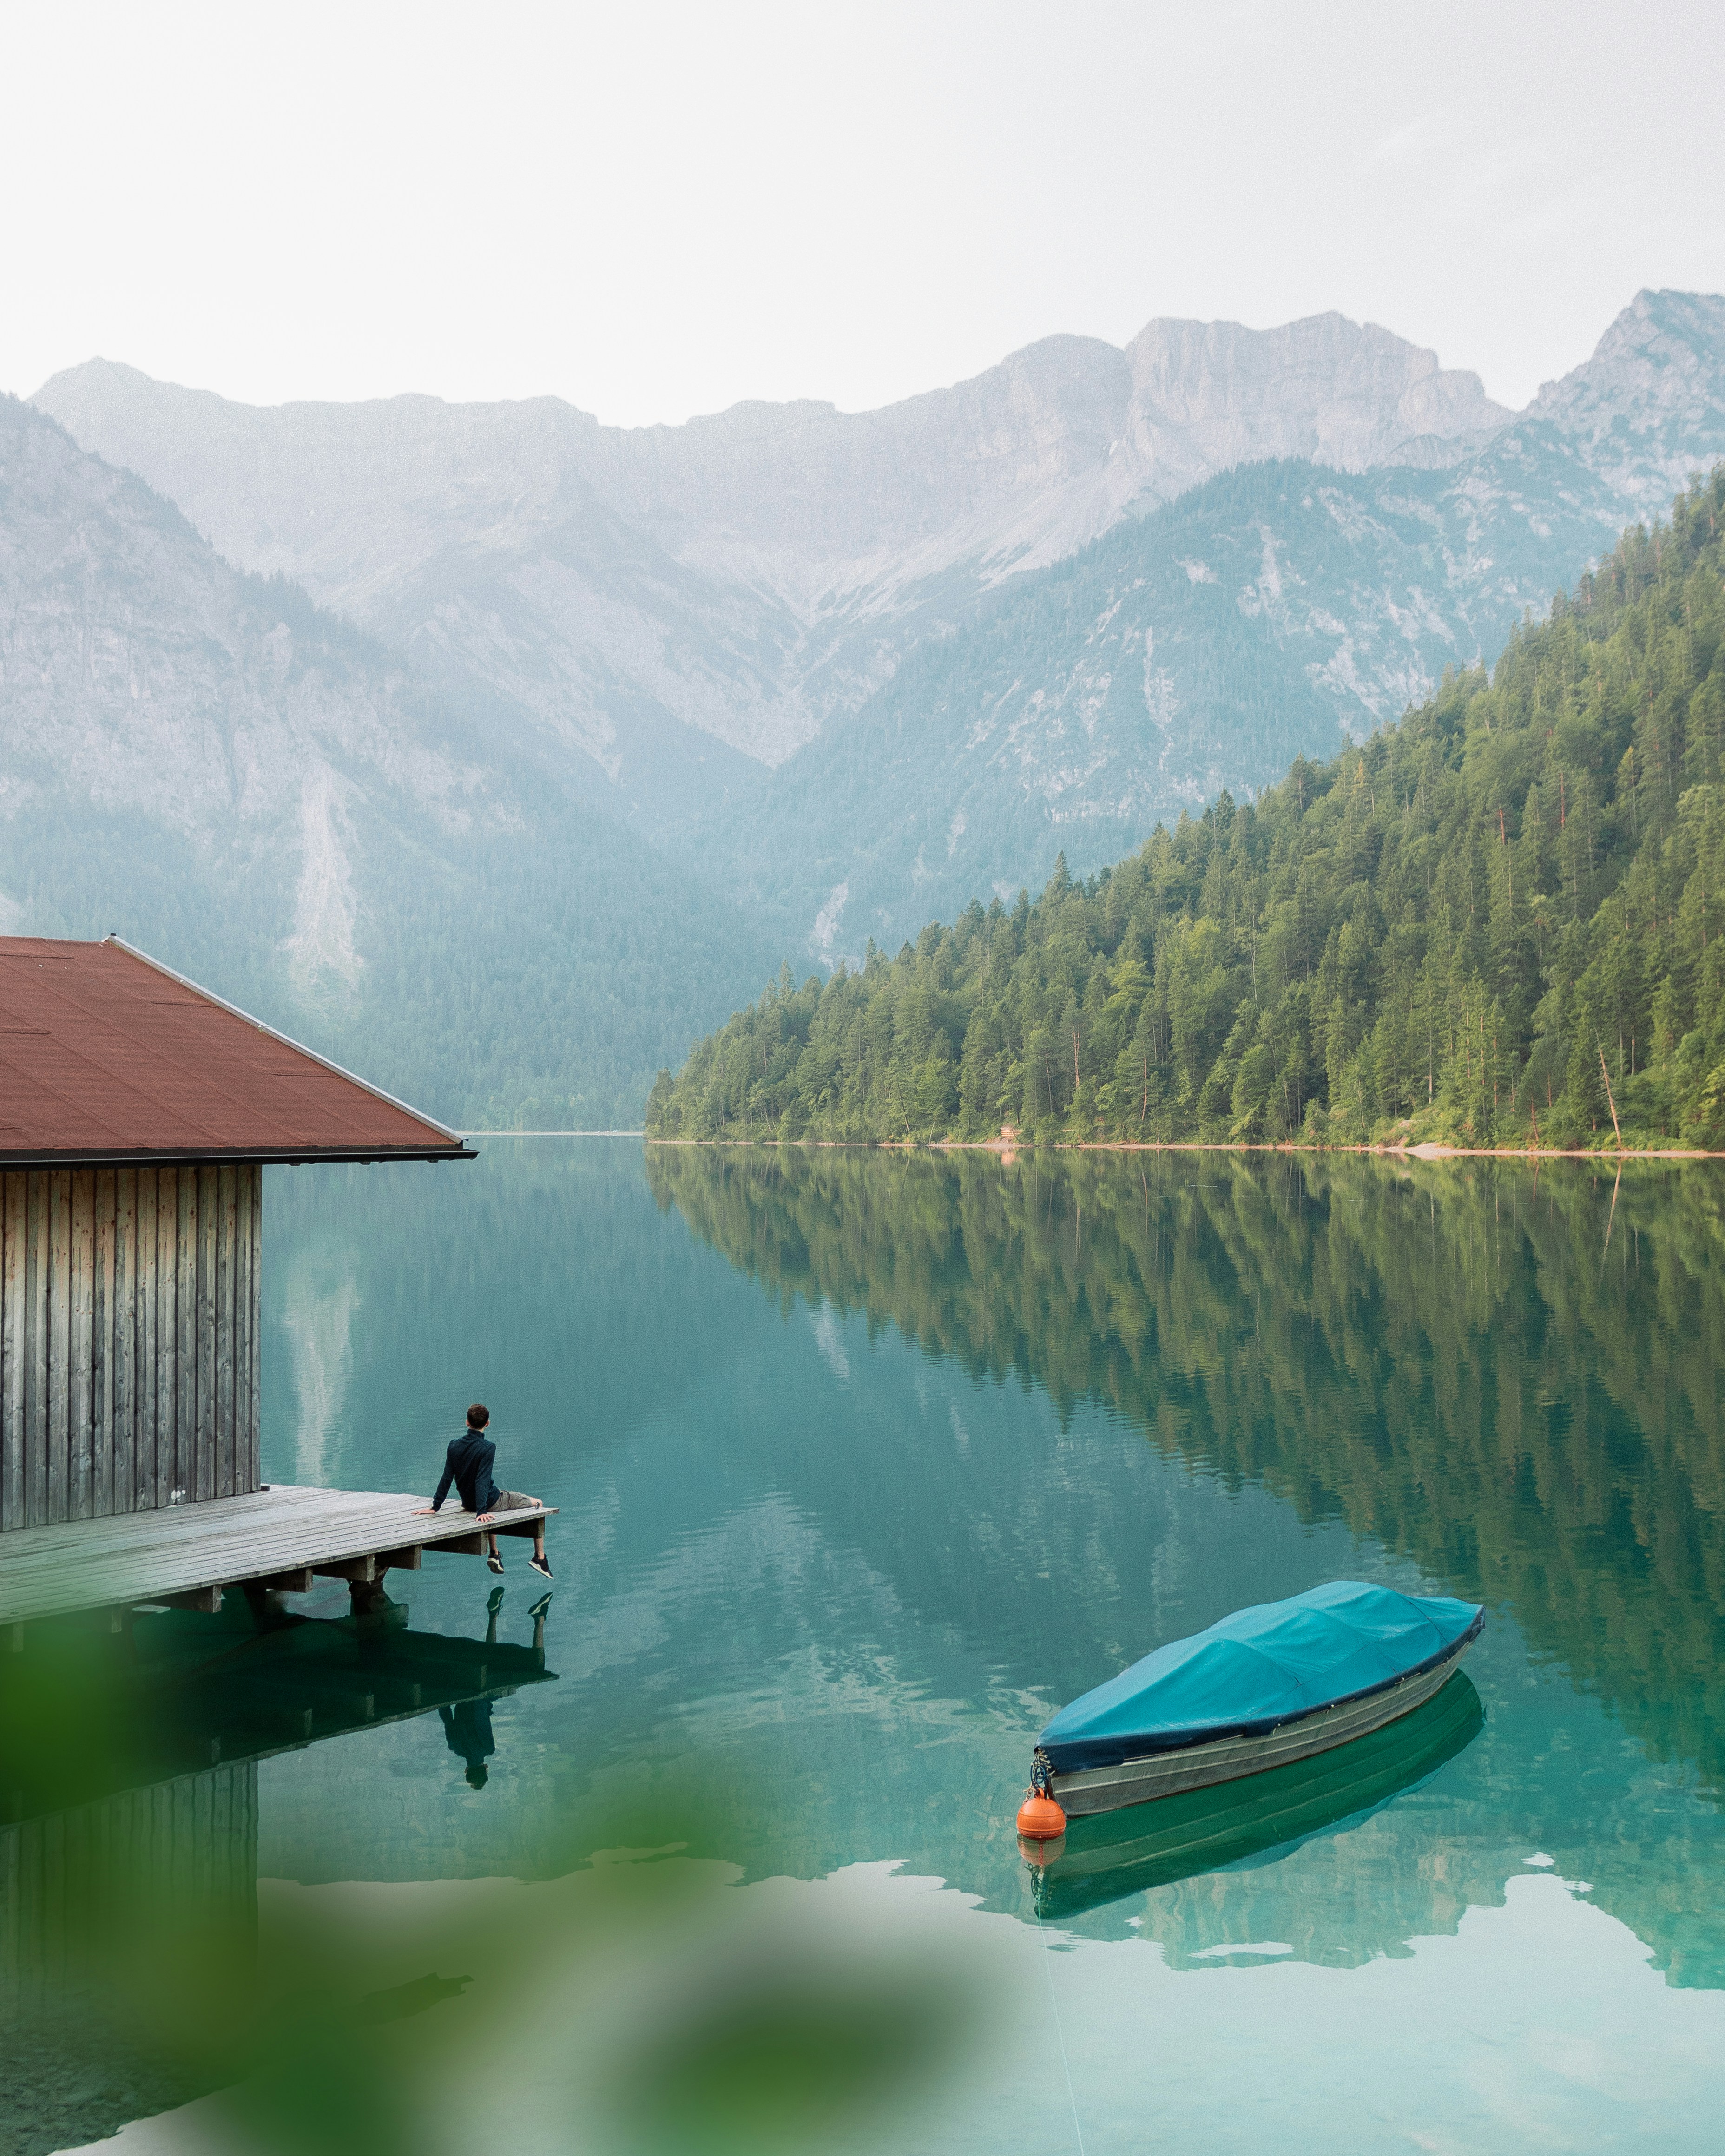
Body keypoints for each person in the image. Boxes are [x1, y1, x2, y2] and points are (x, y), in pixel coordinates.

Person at [415, 1403, 552, 1579]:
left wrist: (435, 1507)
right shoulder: (488, 1448)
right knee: (537, 1503)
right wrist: (481, 1511)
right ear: (487, 1424)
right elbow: (482, 1480)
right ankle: (540, 1558)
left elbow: (447, 1478)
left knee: (491, 1505)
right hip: (489, 1501)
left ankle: (495, 1553)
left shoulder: (454, 1446)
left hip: (468, 1503)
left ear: (467, 1422)